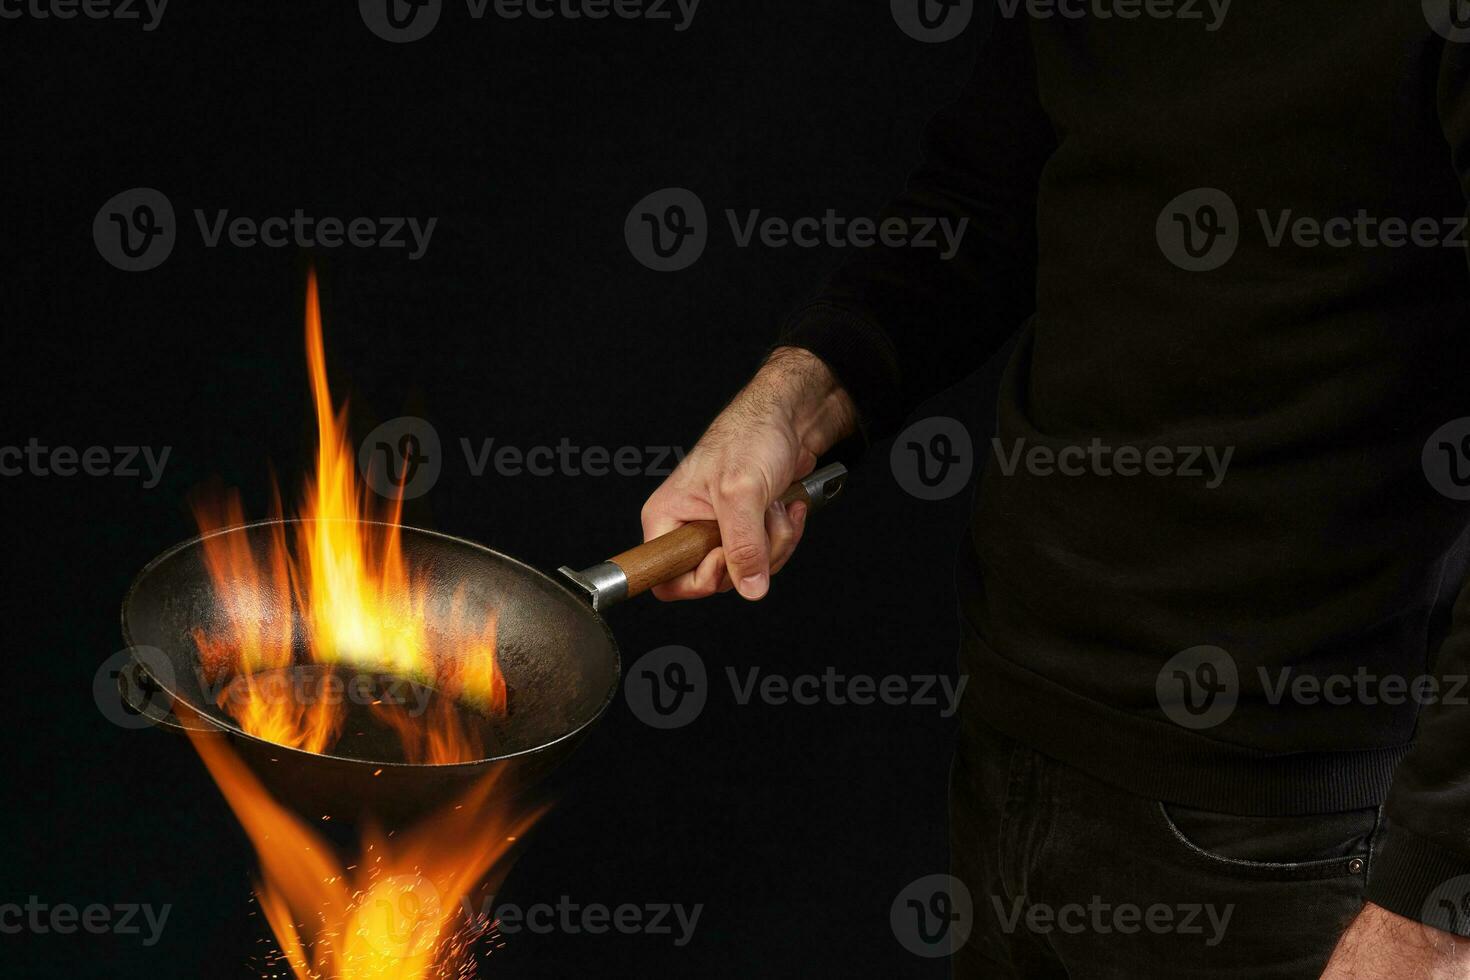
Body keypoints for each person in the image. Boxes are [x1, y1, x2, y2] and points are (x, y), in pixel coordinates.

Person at [639, 7, 1470, 978]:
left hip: (1298, 825)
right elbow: (986, 196)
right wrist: (789, 402)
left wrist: (1432, 908)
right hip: (1019, 735)